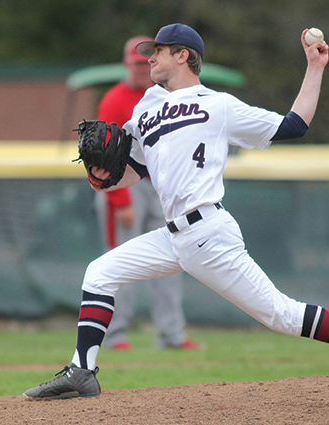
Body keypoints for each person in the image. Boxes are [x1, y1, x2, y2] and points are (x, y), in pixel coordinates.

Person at [24, 23, 329, 400]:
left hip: (208, 233)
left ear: (183, 55)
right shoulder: (146, 110)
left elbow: (294, 125)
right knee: (100, 272)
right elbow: (134, 172)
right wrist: (103, 176)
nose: (150, 58)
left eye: (159, 51)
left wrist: (315, 67)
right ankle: (82, 371)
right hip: (173, 237)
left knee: (280, 314)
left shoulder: (217, 105)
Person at [94, 36, 201, 351]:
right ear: (127, 65)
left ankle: (171, 334)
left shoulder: (167, 96)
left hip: (162, 186)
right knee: (120, 262)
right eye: (136, 63)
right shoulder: (114, 100)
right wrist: (118, 200)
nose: (142, 68)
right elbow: (104, 157)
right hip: (127, 189)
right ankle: (114, 336)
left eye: (147, 62)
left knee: (172, 257)